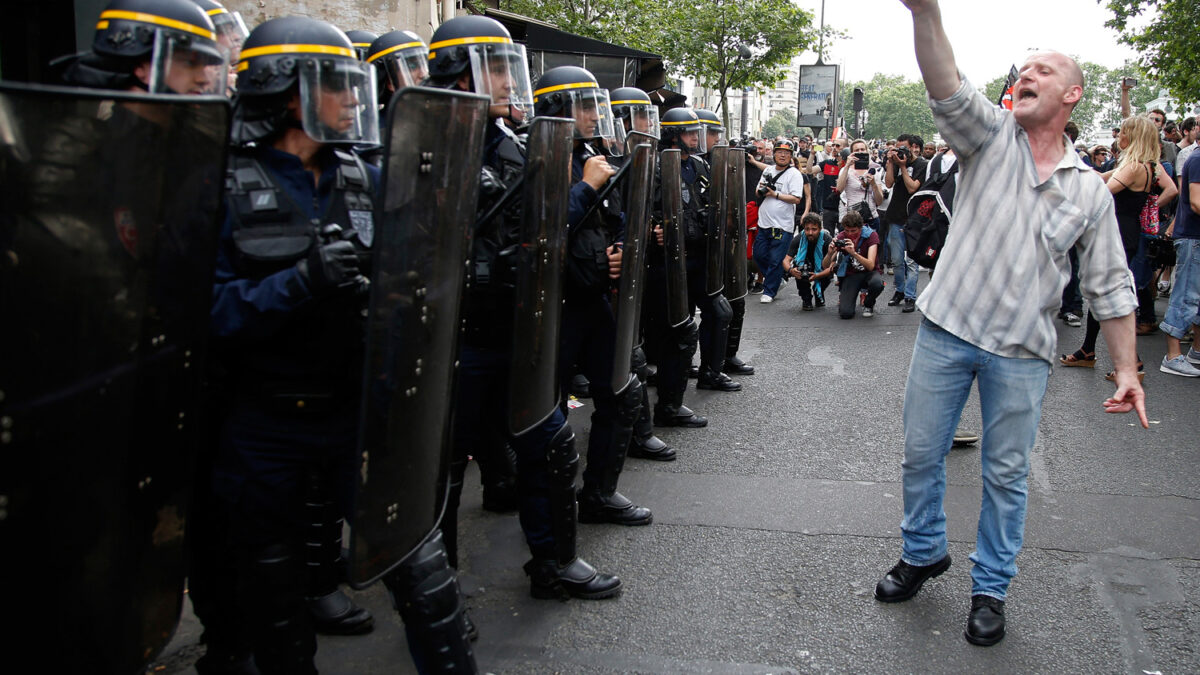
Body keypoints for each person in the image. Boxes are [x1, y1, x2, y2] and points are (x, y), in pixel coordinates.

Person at [877, 0, 1147, 649]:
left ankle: (990, 588)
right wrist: (925, 13)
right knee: (920, 453)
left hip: (1023, 353)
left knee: (1005, 475)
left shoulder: (1088, 189)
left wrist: (1129, 369)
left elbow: (1110, 284)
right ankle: (923, 551)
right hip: (947, 331)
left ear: (1073, 94)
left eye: (1043, 70)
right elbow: (944, 82)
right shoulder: (989, 135)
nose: (1026, 74)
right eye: (1022, 68)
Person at [197, 16, 444, 675]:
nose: (353, 98)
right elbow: (205, 314)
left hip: (356, 412)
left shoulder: (365, 174)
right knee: (274, 603)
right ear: (288, 91)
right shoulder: (220, 180)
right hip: (265, 421)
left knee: (421, 569)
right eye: (336, 84)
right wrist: (299, 282)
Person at [425, 16, 623, 605]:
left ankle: (554, 562)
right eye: (495, 69)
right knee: (443, 468)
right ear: (461, 77)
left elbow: (543, 234)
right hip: (456, 337)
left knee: (552, 446)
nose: (510, 83)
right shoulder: (430, 145)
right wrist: (581, 192)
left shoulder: (514, 147)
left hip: (514, 327)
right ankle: (436, 590)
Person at [534, 65, 655, 526]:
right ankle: (549, 523)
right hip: (554, 305)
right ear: (560, 108)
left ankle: (599, 494)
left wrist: (621, 250)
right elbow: (542, 229)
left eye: (593, 105)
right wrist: (585, 186)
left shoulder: (593, 155)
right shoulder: (540, 155)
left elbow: (615, 219)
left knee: (620, 394)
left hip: (592, 299)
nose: (591, 115)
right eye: (582, 106)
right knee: (549, 418)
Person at [1059, 114, 1176, 380]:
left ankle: (1130, 361)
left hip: (1121, 236)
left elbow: (1102, 191)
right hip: (1125, 234)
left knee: (1111, 295)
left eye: (1122, 131)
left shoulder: (1134, 166)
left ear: (1131, 136)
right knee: (1105, 293)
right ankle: (1089, 350)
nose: (1118, 136)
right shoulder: (1143, 165)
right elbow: (1099, 178)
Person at [57, 0, 228, 95]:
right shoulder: (96, 149)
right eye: (190, 63)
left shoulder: (198, 137)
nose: (203, 79)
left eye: (206, 64)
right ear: (140, 67)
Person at [1158, 144, 1200, 375]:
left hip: (1193, 236)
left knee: (1194, 296)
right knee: (1186, 295)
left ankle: (1196, 351)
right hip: (1193, 237)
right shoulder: (1198, 159)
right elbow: (1196, 201)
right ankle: (1172, 356)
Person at [752, 139, 806, 303]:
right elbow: (757, 191)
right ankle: (776, 280)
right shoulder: (768, 170)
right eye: (780, 152)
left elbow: (797, 198)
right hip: (764, 222)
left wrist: (775, 194)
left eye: (787, 153)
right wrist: (763, 191)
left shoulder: (794, 174)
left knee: (776, 259)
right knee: (759, 255)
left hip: (782, 225)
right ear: (774, 153)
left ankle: (769, 291)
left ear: (791, 156)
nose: (783, 155)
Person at [883, 134, 928, 312]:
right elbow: (888, 183)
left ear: (913, 147)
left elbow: (912, 187)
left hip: (914, 219)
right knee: (896, 260)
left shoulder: (922, 165)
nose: (902, 151)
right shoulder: (894, 161)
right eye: (898, 147)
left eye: (904, 148)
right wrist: (890, 162)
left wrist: (902, 166)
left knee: (911, 261)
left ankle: (910, 295)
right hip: (895, 216)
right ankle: (899, 291)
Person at [823, 210, 883, 318]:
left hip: (869, 273)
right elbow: (825, 266)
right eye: (847, 230)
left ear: (861, 228)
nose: (850, 234)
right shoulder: (842, 237)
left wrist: (853, 253)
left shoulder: (871, 235)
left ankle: (869, 303)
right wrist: (829, 253)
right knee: (846, 313)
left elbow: (870, 265)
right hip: (852, 274)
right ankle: (846, 296)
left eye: (853, 231)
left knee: (877, 284)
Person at [784, 213, 835, 309]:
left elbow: (832, 266)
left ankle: (818, 292)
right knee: (799, 269)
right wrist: (791, 271)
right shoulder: (798, 239)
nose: (810, 232)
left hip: (823, 266)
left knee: (827, 273)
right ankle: (806, 298)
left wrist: (818, 275)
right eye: (807, 229)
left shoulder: (827, 239)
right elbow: (786, 260)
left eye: (814, 229)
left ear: (820, 229)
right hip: (805, 265)